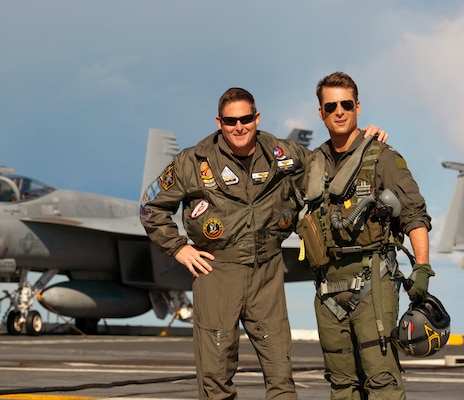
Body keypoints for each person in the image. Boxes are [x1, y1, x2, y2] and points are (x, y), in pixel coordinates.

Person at [139, 87, 386, 399]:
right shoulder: (192, 162)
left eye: (245, 119)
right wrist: (179, 248)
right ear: (219, 122)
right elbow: (150, 208)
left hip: (267, 272)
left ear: (256, 118)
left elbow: (329, 165)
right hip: (216, 272)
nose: (238, 127)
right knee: (215, 377)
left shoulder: (284, 154)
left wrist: (361, 140)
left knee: (280, 373)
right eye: (230, 121)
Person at [296, 71, 433, 400]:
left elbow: (414, 214)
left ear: (357, 106)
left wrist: (423, 267)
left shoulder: (383, 158)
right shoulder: (312, 164)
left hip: (373, 280)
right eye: (331, 107)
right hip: (327, 286)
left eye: (346, 104)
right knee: (341, 384)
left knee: (381, 380)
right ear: (321, 113)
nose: (339, 111)